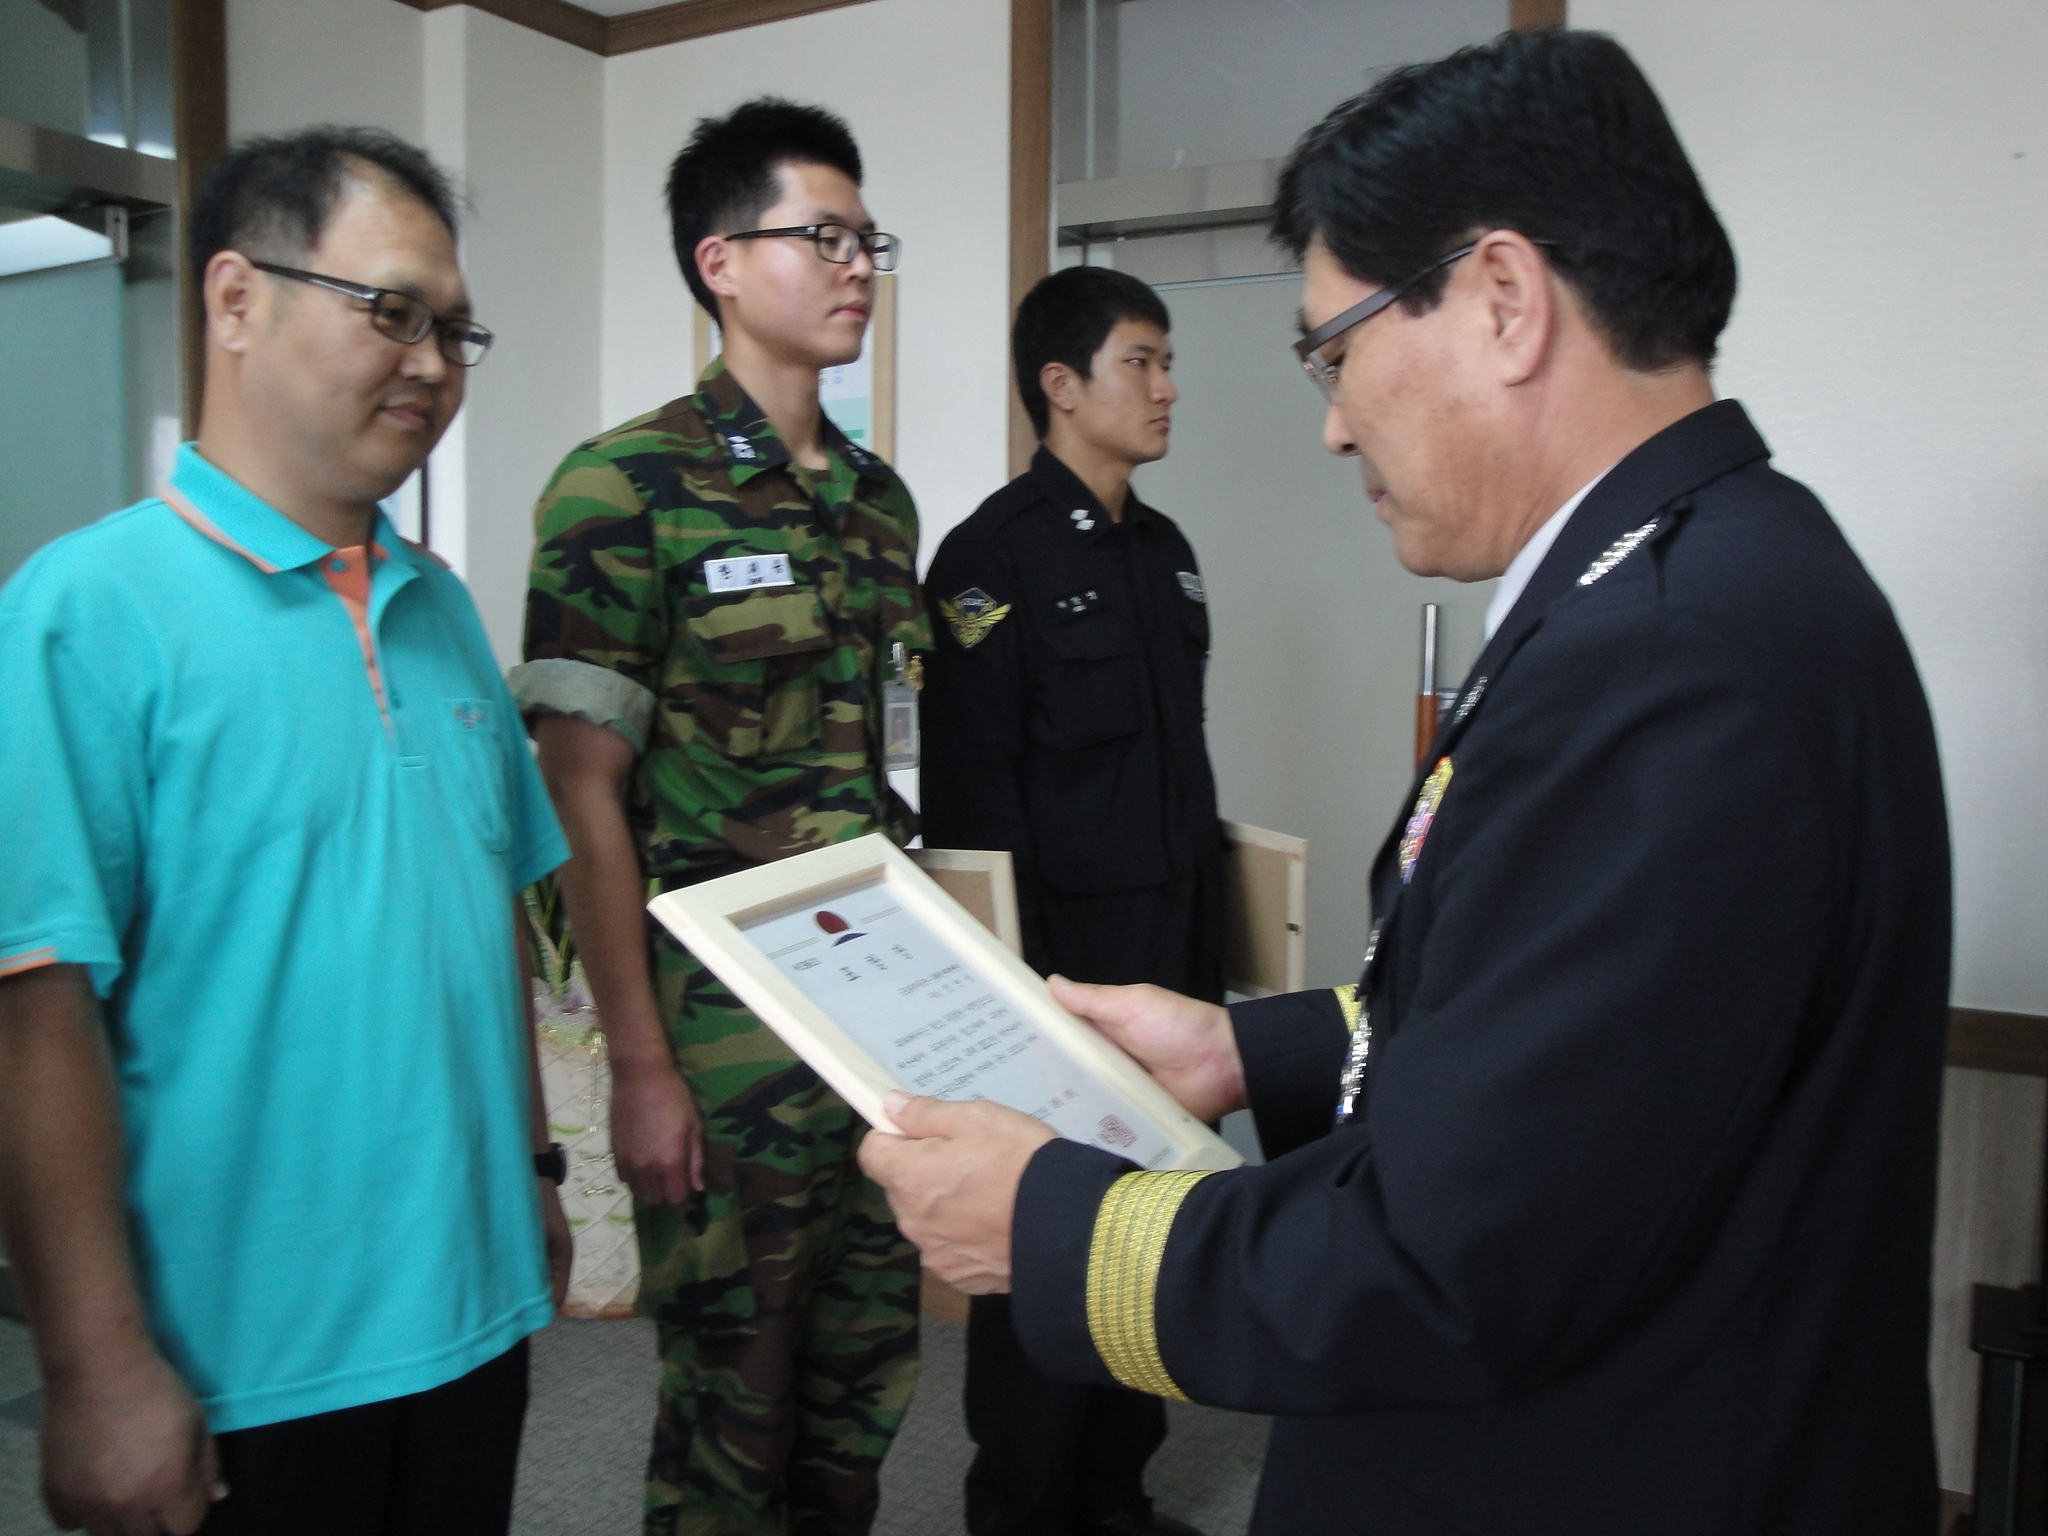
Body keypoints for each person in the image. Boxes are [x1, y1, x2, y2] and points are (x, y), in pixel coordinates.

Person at [860, 29, 1951, 1536]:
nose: (1330, 422)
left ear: (1503, 299)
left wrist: (1047, 1225)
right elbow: (1569, 1037)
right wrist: (1250, 1049)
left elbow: (1447, 1263)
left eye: (1335, 350)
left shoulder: (1668, 654)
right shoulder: (1698, 572)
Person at [0, 127, 572, 1536]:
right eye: (391, 312)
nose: (431, 365)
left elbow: (488, 917)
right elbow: (35, 1011)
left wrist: (537, 1174)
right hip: (241, 1362)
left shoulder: (439, 607)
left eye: (453, 330)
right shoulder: (82, 612)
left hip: (472, 1316)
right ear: (236, 299)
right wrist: (93, 1368)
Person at [513, 98, 927, 1535]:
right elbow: (577, 791)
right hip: (720, 1039)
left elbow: (890, 767)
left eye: (868, 241)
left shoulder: (878, 506)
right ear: (721, 262)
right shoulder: (620, 488)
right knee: (728, 1416)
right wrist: (639, 1067)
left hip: (872, 1020)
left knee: (863, 1394)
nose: (857, 265)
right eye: (824, 236)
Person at [919, 265, 1216, 1536]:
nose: (1165, 387)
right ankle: (1024, 1509)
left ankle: (1114, 1499)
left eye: (1166, 362)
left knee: (1147, 1238)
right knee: (1040, 1253)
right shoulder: (988, 560)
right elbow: (972, 803)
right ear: (1061, 384)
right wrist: (1018, 1007)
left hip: (1169, 967)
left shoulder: (1166, 552)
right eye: (1140, 361)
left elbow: (1179, 767)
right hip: (1062, 979)